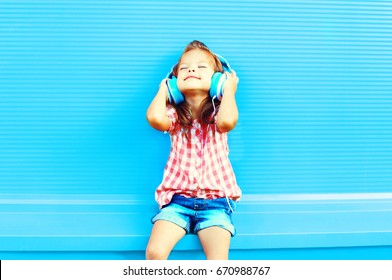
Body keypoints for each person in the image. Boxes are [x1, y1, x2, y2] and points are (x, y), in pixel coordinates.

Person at [145, 40, 241, 260]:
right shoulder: (175, 114)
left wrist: (228, 90)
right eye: (185, 68)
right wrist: (164, 90)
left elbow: (227, 122)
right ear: (175, 81)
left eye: (200, 67)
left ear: (216, 80)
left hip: (216, 204)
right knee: (155, 252)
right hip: (177, 203)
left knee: (218, 261)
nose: (191, 70)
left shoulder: (219, 111)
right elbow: (154, 118)